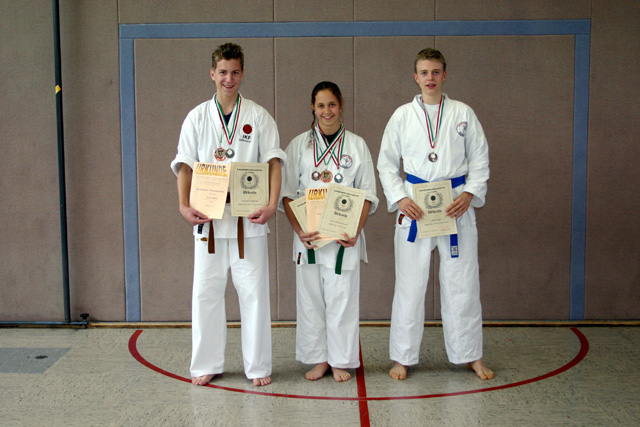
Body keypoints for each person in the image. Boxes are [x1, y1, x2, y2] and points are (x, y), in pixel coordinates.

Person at [170, 43, 285, 387]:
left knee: (254, 294)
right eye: (222, 72)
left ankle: (258, 366)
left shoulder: (259, 116)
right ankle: (207, 363)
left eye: (235, 72)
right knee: (205, 293)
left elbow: (274, 163)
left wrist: (272, 204)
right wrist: (183, 205)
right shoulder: (196, 117)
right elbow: (185, 166)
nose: (228, 78)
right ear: (212, 74)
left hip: (248, 219)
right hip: (208, 219)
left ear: (243, 74)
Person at [377, 48, 494, 381]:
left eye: (436, 72)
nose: (430, 78)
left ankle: (470, 355)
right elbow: (386, 163)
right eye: (424, 72)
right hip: (415, 209)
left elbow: (480, 159)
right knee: (410, 285)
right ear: (416, 77)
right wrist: (400, 198)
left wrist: (469, 194)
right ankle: (402, 357)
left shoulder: (463, 113)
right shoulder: (402, 115)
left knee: (463, 283)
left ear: (445, 75)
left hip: (455, 206)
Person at [280, 81, 378, 382]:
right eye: (321, 105)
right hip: (309, 238)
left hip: (342, 238)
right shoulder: (298, 145)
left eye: (332, 104)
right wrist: (299, 230)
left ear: (341, 105)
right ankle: (319, 359)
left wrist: (355, 231)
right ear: (313, 107)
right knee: (310, 301)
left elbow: (368, 194)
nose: (327, 111)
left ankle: (340, 360)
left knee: (342, 299)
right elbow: (286, 194)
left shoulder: (357, 145)